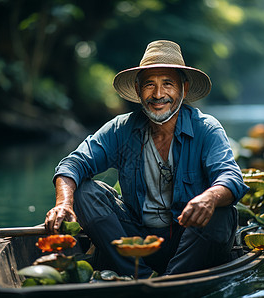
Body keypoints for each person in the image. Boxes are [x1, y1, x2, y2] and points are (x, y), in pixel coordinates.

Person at [44, 40, 249, 278]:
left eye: (168, 84)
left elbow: (231, 177)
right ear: (138, 89)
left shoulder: (206, 128)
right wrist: (63, 204)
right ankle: (139, 277)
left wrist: (209, 198)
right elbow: (73, 163)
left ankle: (173, 280)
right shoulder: (121, 129)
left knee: (221, 210)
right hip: (135, 243)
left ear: (183, 87)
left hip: (190, 242)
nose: (159, 94)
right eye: (149, 85)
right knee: (85, 192)